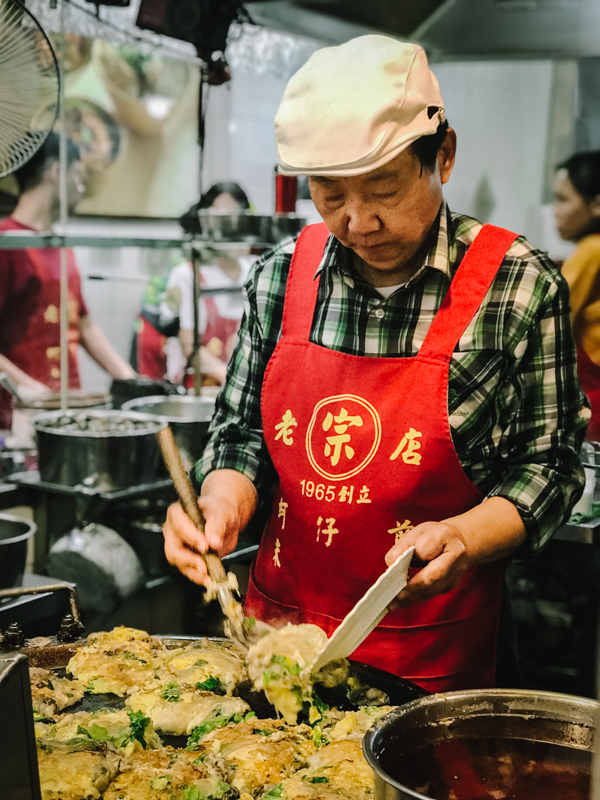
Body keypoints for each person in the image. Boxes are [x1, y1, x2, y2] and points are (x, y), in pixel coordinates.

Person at [164, 36, 588, 693]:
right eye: (329, 196)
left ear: (442, 156)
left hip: (432, 656)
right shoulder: (280, 277)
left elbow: (551, 465)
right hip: (275, 642)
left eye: (384, 189)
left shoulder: (518, 286)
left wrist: (465, 536)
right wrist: (219, 500)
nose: (359, 221)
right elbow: (241, 434)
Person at [0, 132, 135, 423]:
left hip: (68, 410)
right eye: (77, 174)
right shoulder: (6, 243)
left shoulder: (59, 243)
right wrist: (28, 389)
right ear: (56, 171)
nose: (81, 186)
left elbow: (84, 324)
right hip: (19, 416)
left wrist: (131, 380)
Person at [171, 182, 254, 385]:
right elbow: (191, 346)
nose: (228, 228)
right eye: (219, 218)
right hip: (203, 387)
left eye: (234, 217)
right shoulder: (189, 274)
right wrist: (232, 382)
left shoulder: (254, 269)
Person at [553, 151, 600, 440]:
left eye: (563, 199)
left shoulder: (591, 251)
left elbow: (554, 318)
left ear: (596, 205)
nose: (554, 210)